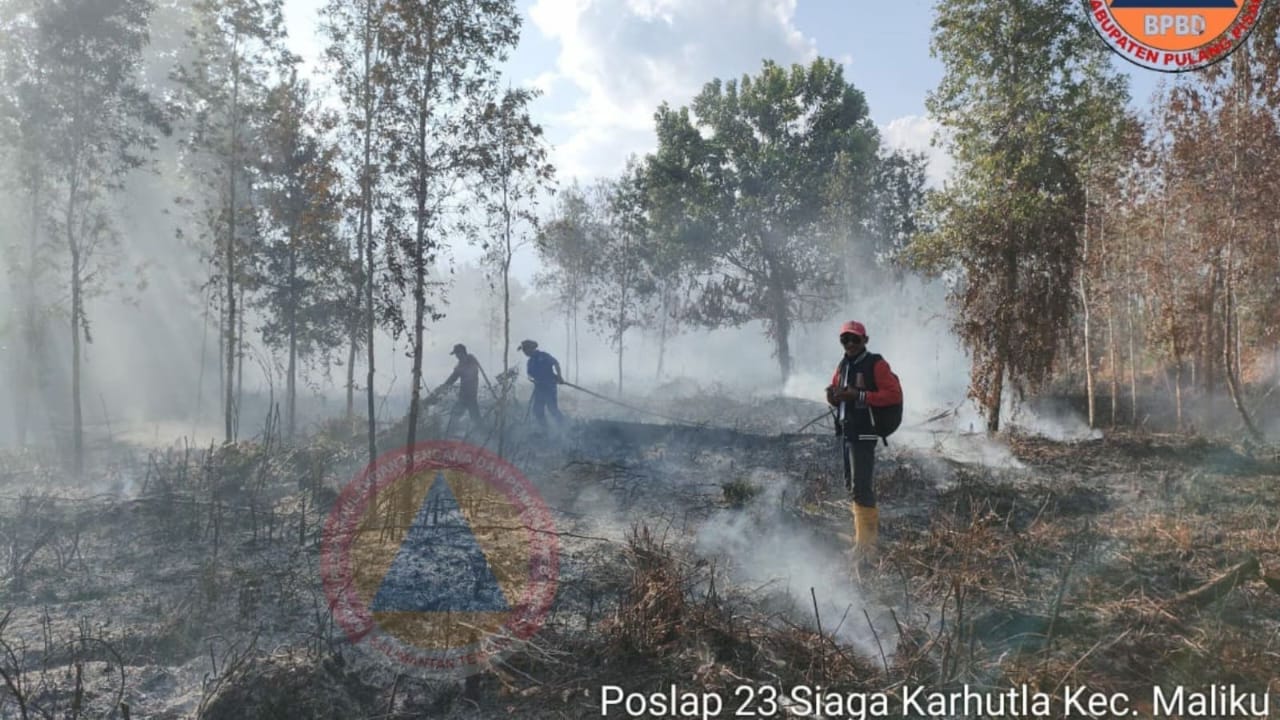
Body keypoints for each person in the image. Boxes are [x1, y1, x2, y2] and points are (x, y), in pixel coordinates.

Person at [825, 320, 903, 565]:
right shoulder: (843, 365)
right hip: (848, 431)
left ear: (865, 340)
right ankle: (862, 539)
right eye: (844, 339)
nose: (849, 344)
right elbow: (840, 397)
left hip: (867, 432)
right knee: (853, 485)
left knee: (862, 486)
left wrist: (858, 395)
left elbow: (893, 394)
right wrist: (833, 397)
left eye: (854, 339)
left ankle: (867, 548)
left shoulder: (876, 364)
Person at [518, 339, 566, 429]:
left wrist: (559, 376)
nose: (524, 352)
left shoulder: (543, 356)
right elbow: (530, 374)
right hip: (539, 388)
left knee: (552, 409)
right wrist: (533, 379)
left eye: (525, 350)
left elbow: (556, 363)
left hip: (549, 387)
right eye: (523, 350)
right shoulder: (530, 362)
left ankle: (564, 425)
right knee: (537, 410)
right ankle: (545, 429)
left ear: (531, 348)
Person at [440, 343, 482, 426]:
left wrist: (457, 372)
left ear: (462, 353)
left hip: (469, 396)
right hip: (464, 396)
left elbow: (468, 374)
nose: (456, 356)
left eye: (457, 354)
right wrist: (444, 386)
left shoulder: (470, 362)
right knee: (455, 418)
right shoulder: (462, 364)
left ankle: (485, 435)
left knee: (474, 420)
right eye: (456, 354)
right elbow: (453, 378)